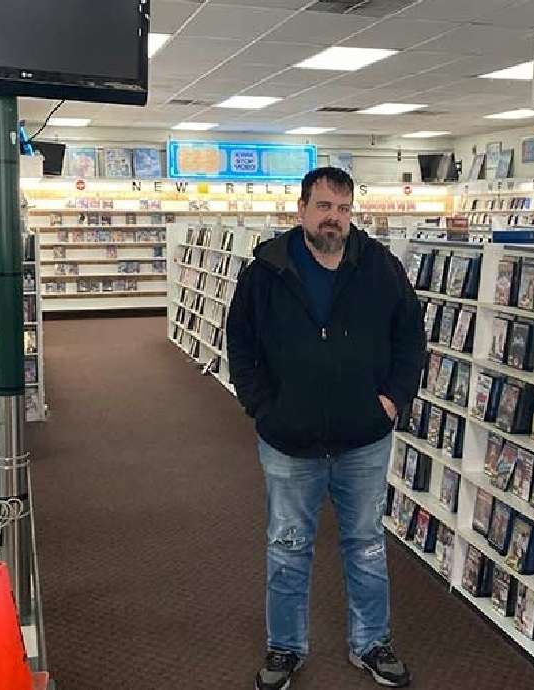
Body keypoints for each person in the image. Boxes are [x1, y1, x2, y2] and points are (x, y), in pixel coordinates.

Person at [227, 167, 424, 690]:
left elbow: (411, 337)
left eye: (343, 208)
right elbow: (241, 344)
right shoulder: (266, 270)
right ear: (302, 211)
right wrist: (263, 408)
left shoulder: (379, 267)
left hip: (364, 437)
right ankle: (285, 648)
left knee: (366, 543)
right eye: (323, 207)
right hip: (289, 440)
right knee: (287, 545)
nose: (333, 218)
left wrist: (393, 400)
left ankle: (372, 642)